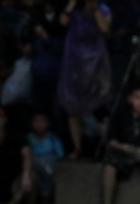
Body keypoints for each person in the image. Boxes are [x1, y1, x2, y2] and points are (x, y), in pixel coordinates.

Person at [57, 0, 112, 158]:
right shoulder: (74, 9)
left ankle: (107, 147)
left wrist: (95, 10)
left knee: (99, 106)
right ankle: (77, 147)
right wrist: (71, 3)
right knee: (72, 107)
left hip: (96, 62)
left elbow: (105, 28)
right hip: (73, 61)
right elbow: (62, 22)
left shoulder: (103, 8)